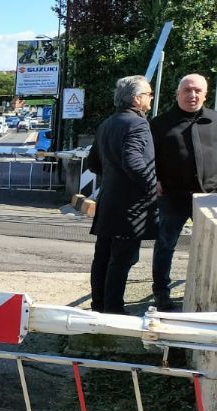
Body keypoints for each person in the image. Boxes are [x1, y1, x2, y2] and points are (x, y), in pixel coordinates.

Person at [84, 75, 158, 315]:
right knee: (122, 260)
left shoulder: (107, 123)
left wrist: (113, 175)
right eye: (148, 94)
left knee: (103, 257)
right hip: (130, 205)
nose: (151, 98)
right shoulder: (138, 124)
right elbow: (133, 161)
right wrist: (153, 185)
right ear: (136, 99)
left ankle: (99, 305)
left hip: (108, 201)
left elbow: (93, 163)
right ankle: (113, 309)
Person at [149, 74, 217, 311]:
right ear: (178, 94)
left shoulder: (215, 121)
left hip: (210, 197)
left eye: (198, 91)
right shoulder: (160, 124)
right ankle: (161, 294)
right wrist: (154, 178)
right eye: (187, 90)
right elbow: (148, 156)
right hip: (172, 196)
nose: (192, 95)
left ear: (205, 94)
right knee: (165, 245)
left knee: (214, 246)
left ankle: (211, 293)